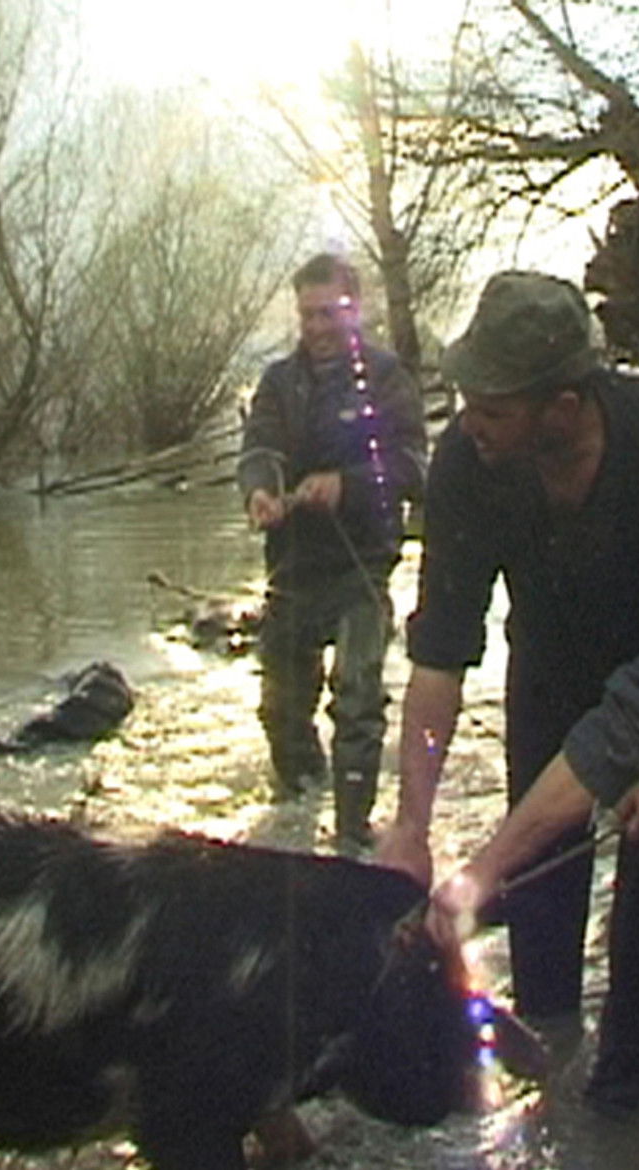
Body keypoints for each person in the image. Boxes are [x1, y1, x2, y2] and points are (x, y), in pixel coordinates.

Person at [378, 270, 639, 1110]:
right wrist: (410, 822)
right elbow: (439, 661)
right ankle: (547, 1111)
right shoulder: (468, 462)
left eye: (493, 408)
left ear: (566, 408)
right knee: (536, 921)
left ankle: (624, 1109)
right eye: (464, 401)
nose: (471, 423)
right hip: (548, 684)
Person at [237, 252, 426, 854]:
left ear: (354, 309)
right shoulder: (276, 382)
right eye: (307, 315)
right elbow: (257, 447)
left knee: (359, 696)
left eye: (329, 313)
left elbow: (414, 467)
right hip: (291, 567)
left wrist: (347, 484)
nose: (317, 327)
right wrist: (261, 491)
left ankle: (351, 836)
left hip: (361, 566)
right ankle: (297, 820)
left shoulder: (388, 377)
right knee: (282, 710)